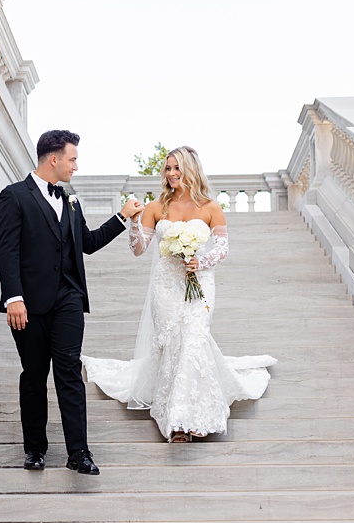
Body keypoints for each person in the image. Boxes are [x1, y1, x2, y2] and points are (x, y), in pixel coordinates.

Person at [82, 146, 275, 442]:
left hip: (200, 282)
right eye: (168, 169)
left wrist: (203, 261)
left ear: (191, 170)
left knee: (194, 340)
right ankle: (178, 421)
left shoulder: (211, 206)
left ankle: (196, 414)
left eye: (177, 168)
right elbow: (138, 249)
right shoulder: (156, 206)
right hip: (166, 286)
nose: (171, 174)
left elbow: (223, 247)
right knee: (173, 344)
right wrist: (134, 223)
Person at [0, 129, 144, 474]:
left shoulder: (71, 201)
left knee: (69, 373)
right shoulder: (14, 196)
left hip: (69, 300)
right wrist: (13, 297)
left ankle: (79, 452)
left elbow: (88, 243)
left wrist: (122, 217)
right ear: (54, 159)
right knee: (33, 375)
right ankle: (35, 449)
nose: (76, 166)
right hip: (28, 304)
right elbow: (8, 250)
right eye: (72, 159)